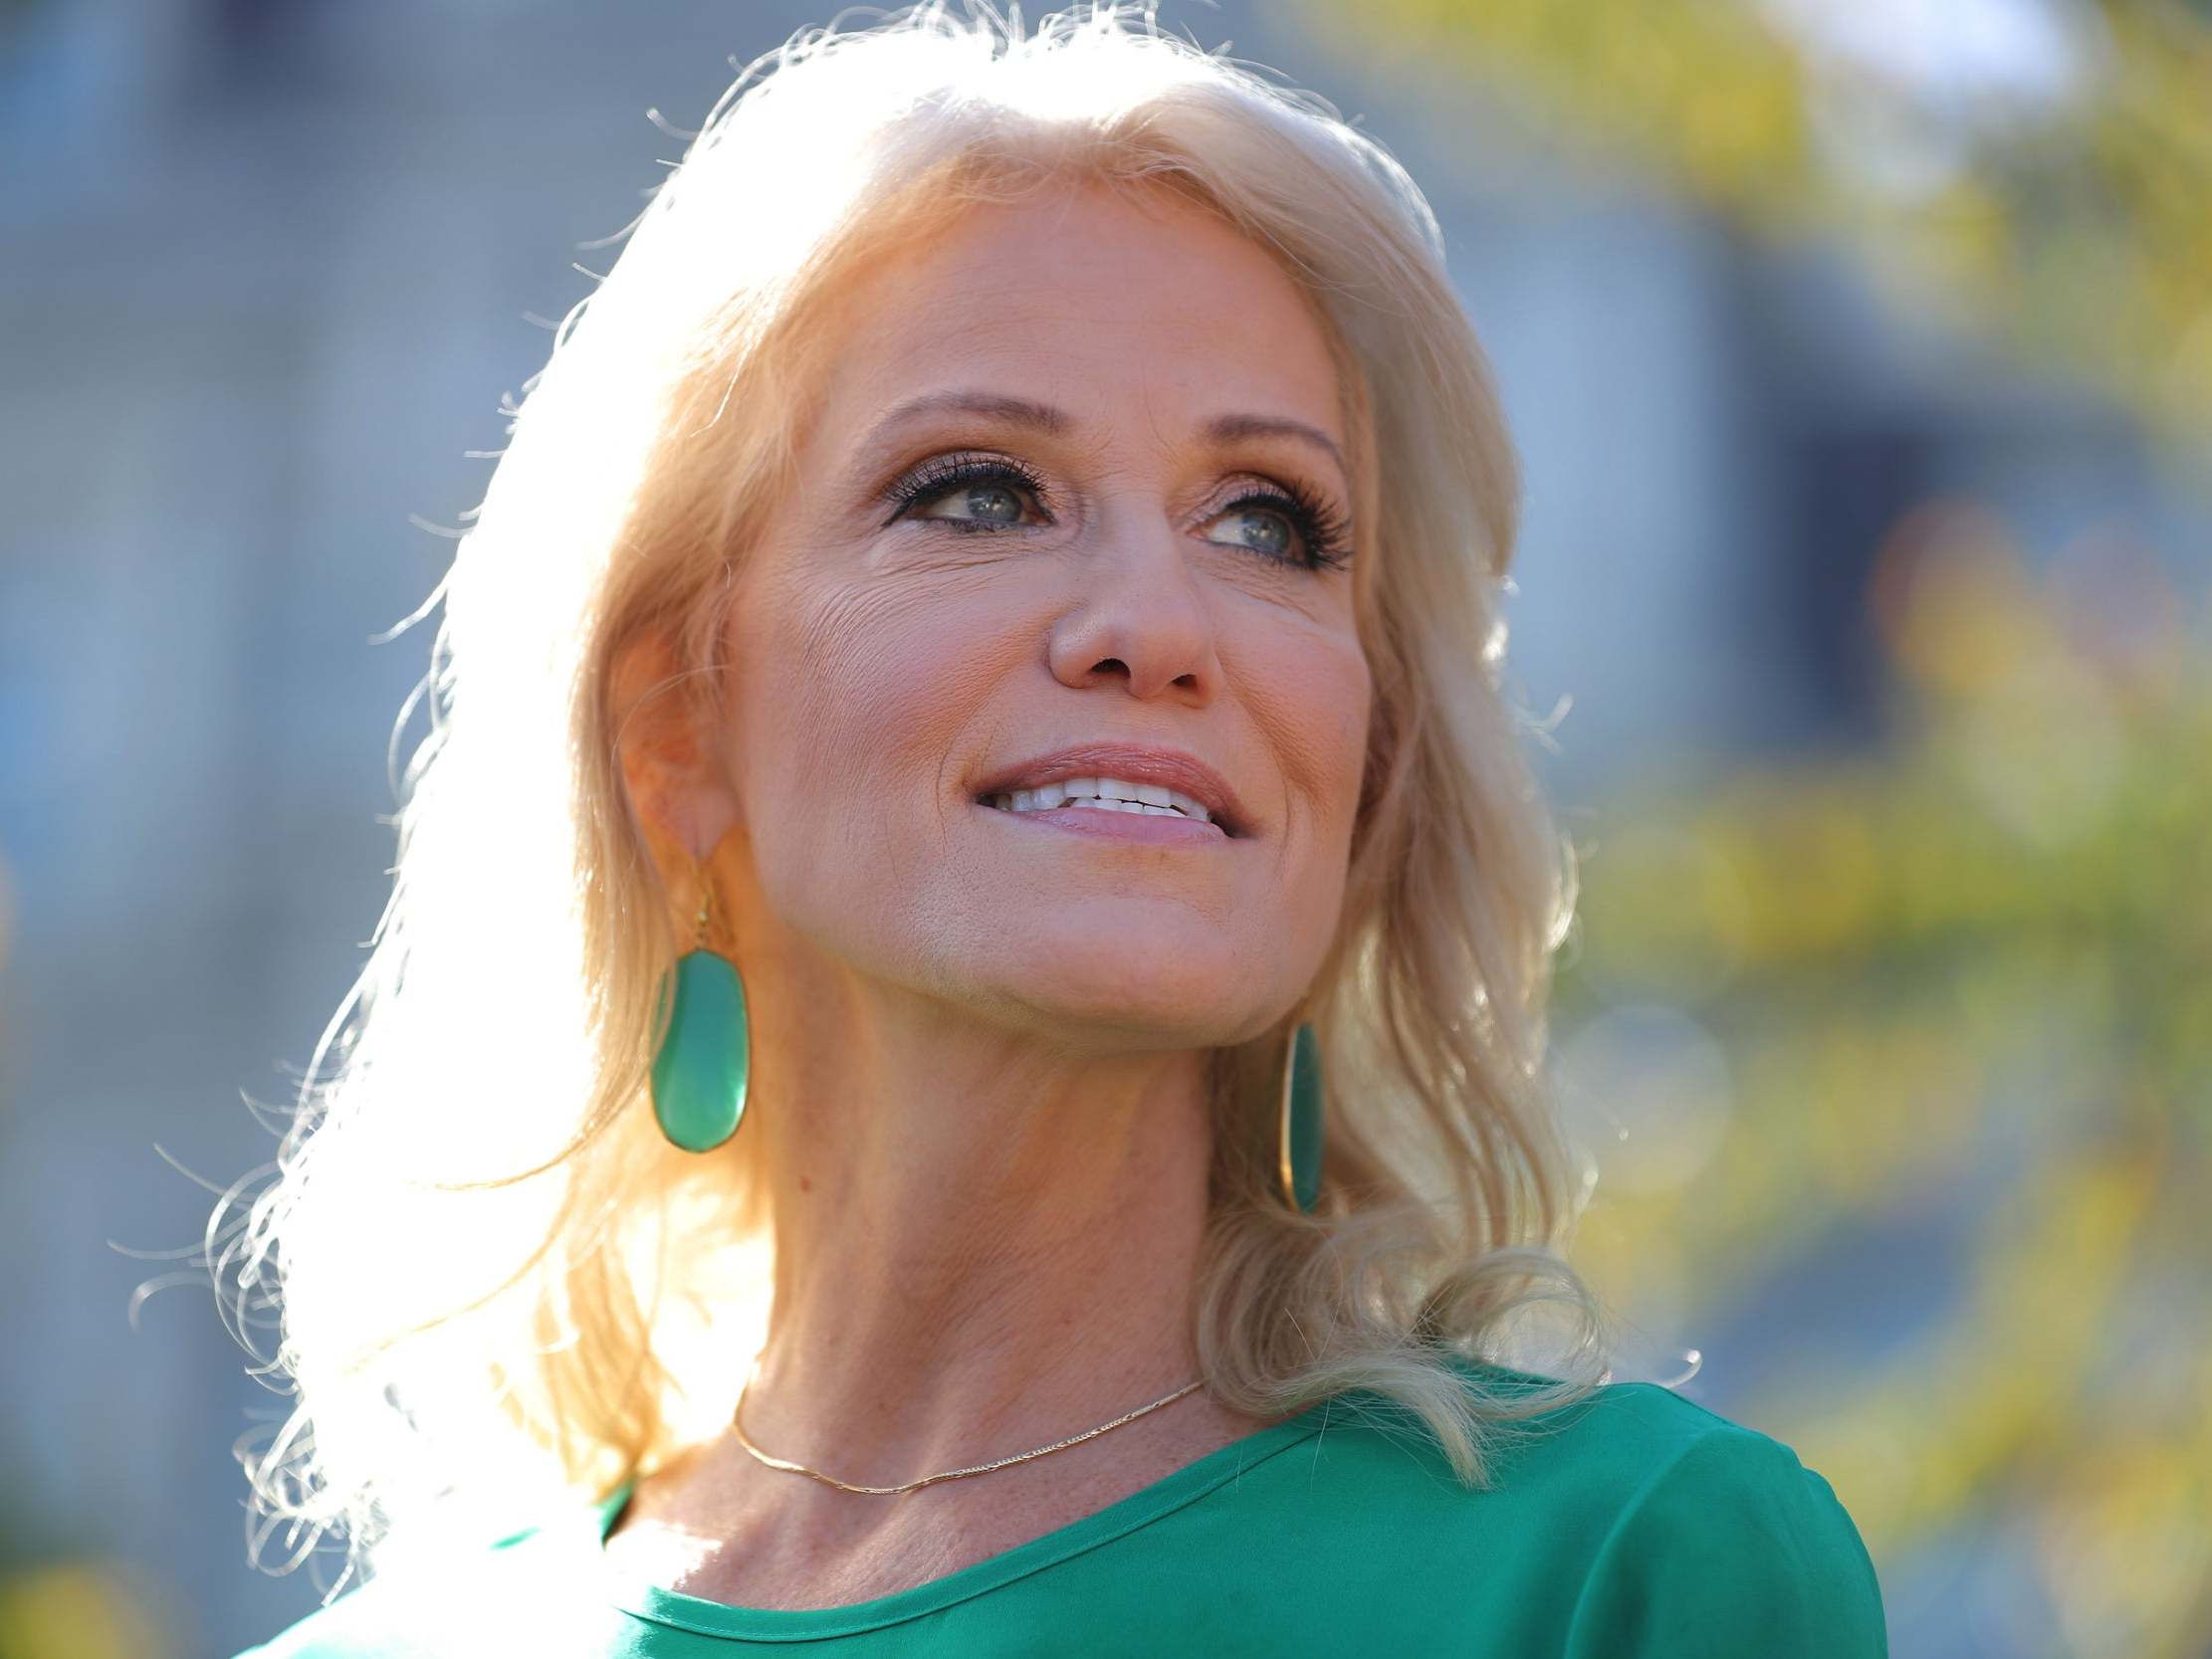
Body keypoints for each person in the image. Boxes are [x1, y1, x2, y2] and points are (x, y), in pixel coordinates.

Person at [217, 5, 1887, 1654]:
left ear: (1369, 763)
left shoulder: (1623, 1572)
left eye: (1269, 522)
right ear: (677, 728)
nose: (1159, 622)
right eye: (980, 493)